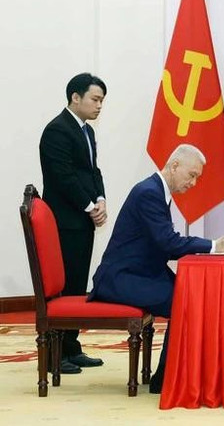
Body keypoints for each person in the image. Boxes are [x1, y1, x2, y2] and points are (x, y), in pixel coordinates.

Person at [89, 144, 224, 394]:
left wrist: (204, 247)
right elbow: (168, 242)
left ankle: (180, 373)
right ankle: (166, 379)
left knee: (191, 294)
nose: (193, 183)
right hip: (120, 278)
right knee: (184, 302)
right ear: (174, 165)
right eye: (192, 175)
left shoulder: (155, 190)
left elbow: (165, 243)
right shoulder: (149, 192)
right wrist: (213, 245)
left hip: (141, 272)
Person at [39, 73, 109, 374]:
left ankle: (71, 346)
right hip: (65, 222)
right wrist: (89, 205)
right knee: (63, 287)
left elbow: (92, 171)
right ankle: (56, 353)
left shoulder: (86, 131)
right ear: (75, 98)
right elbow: (62, 177)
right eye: (95, 99)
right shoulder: (57, 130)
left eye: (102, 101)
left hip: (82, 220)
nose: (99, 106)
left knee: (77, 284)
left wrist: (101, 198)